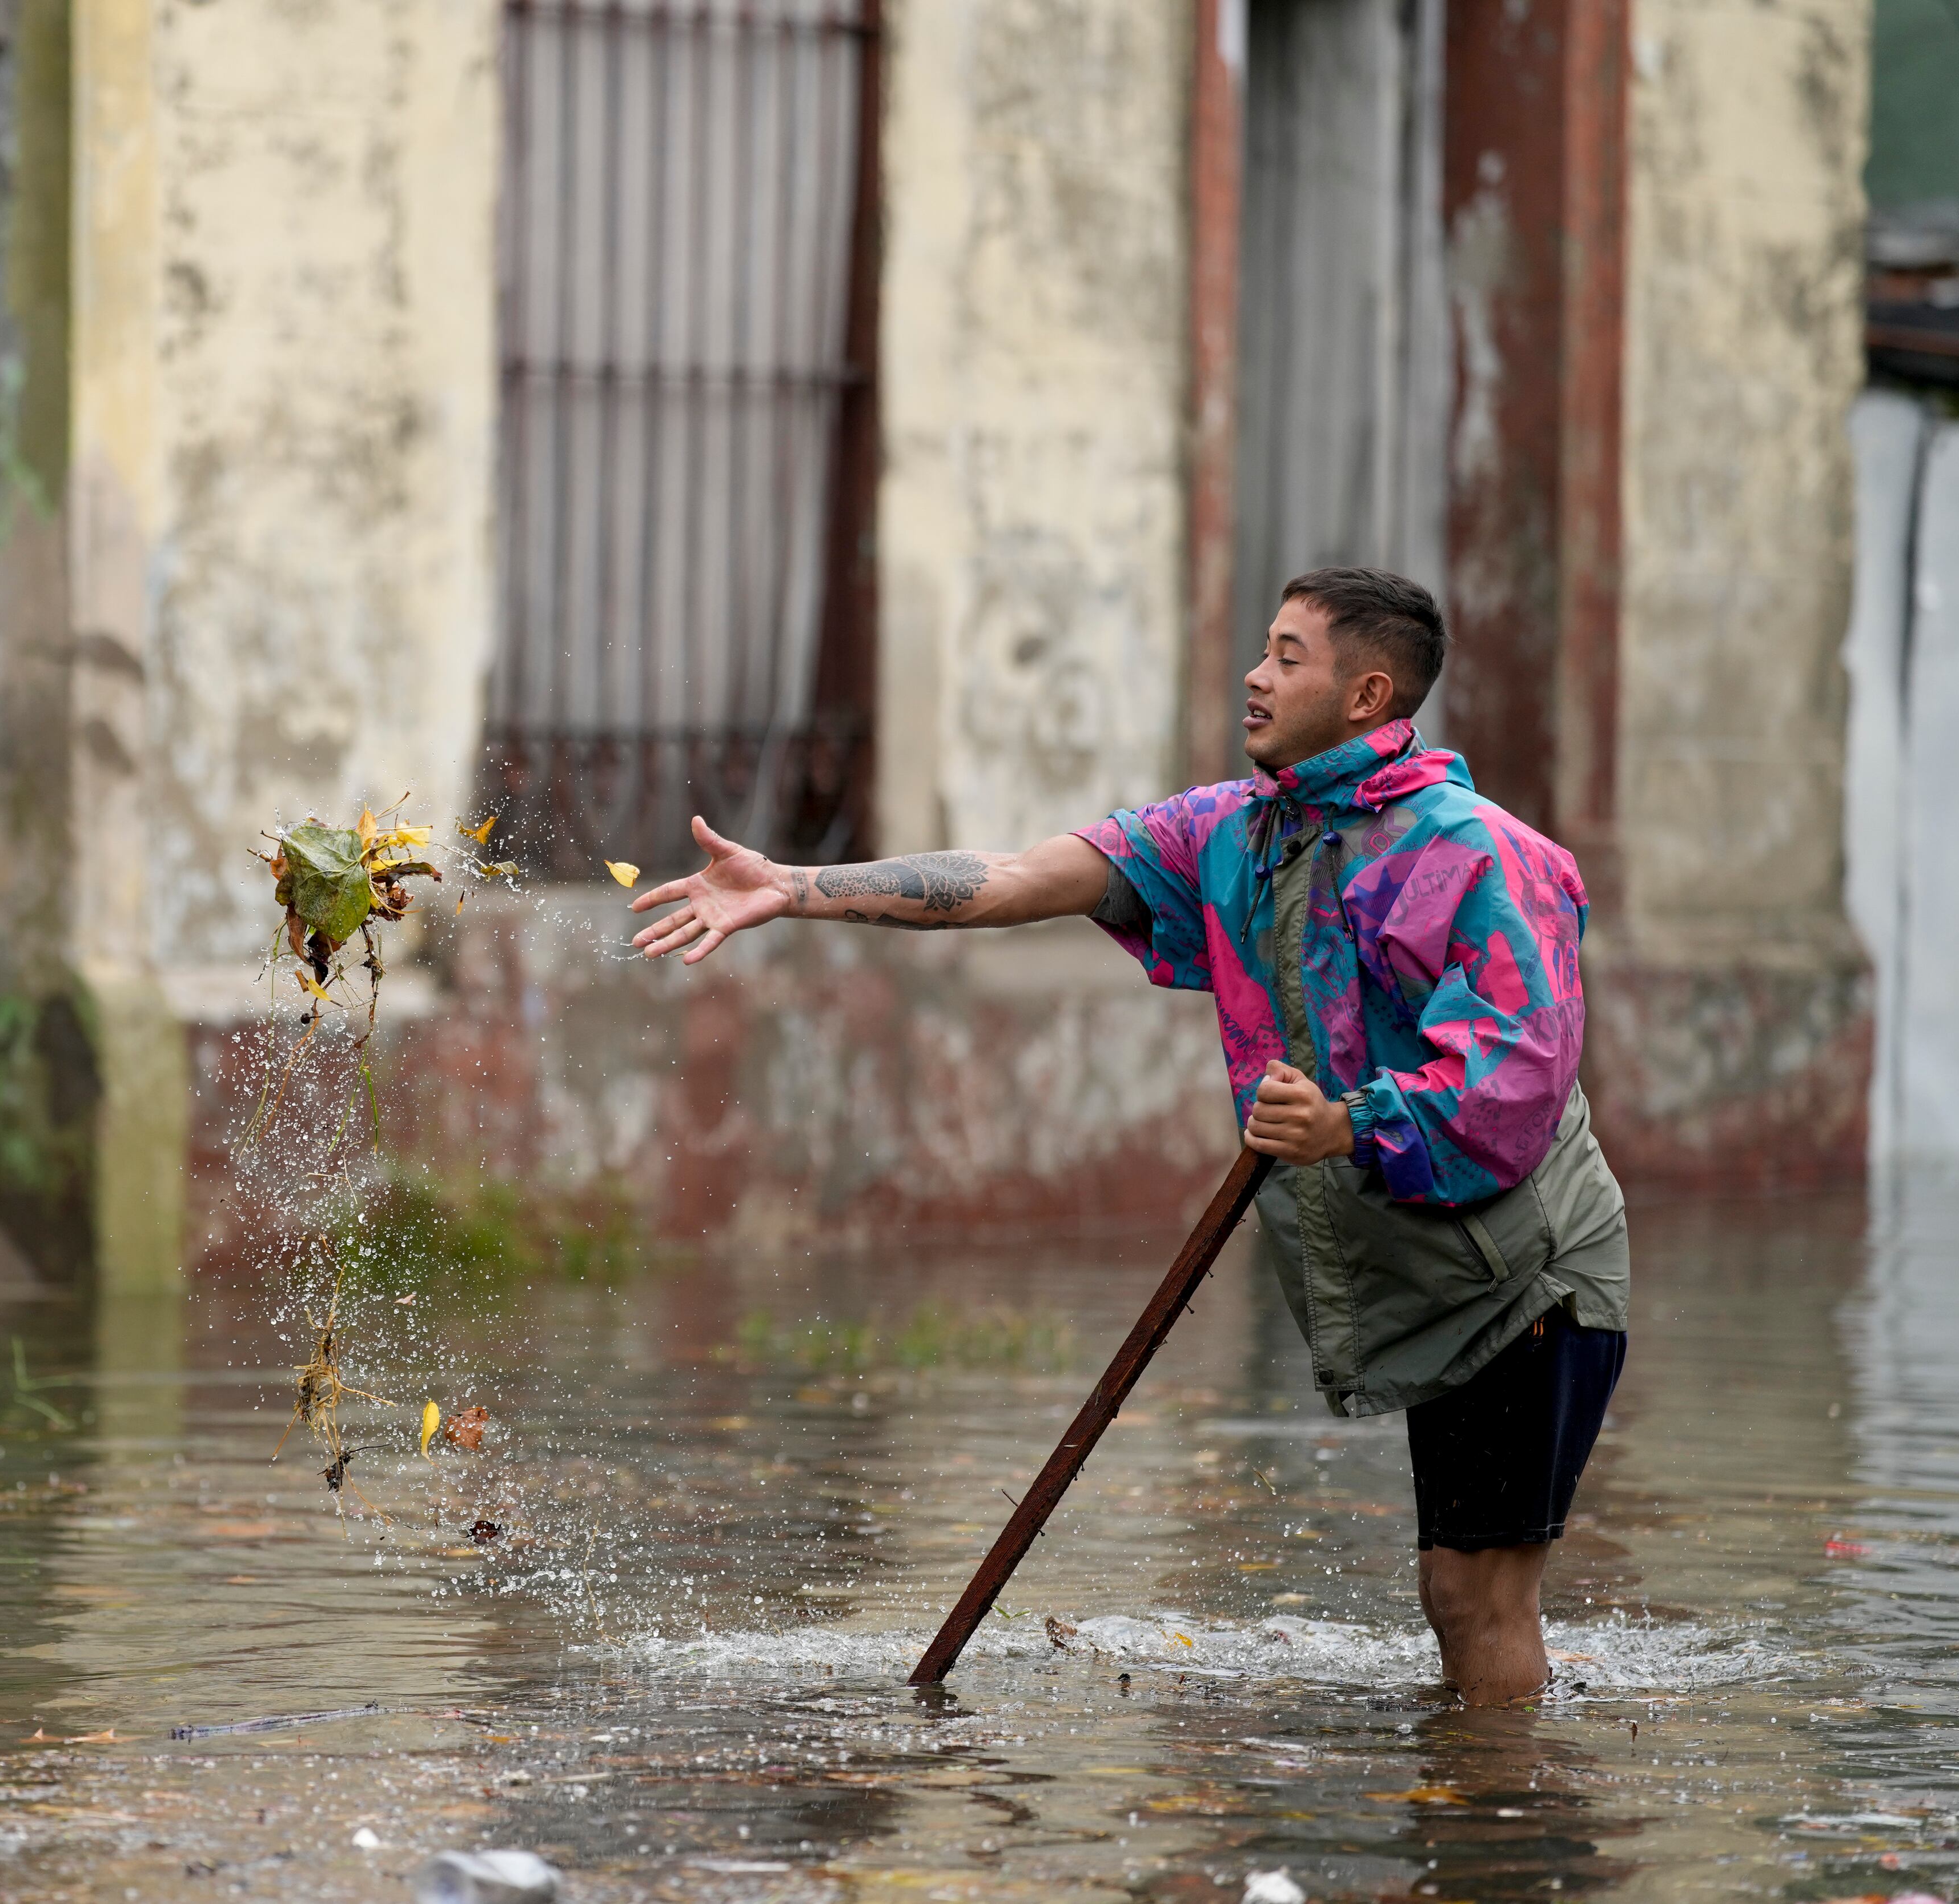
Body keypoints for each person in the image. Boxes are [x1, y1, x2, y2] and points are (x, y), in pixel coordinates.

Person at [627, 566, 1628, 1707]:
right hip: (1425, 1268)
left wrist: (1349, 1122)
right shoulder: (1228, 834)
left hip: (1529, 1271)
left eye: (1287, 656)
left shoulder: (1473, 854)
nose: (1254, 675)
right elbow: (1008, 878)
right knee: (1455, 1590)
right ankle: (1480, 1808)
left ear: (1367, 693)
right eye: (1261, 645)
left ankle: (1500, 1836)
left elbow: (1517, 1076)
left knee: (1478, 1593)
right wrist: (797, 886)